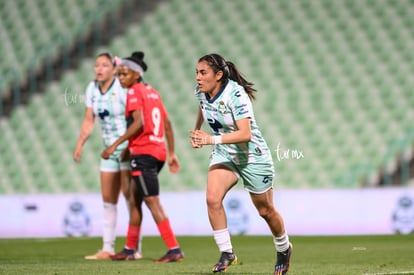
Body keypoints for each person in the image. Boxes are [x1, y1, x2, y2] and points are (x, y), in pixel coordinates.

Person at [189, 53, 292, 274]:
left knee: (265, 210)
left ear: (218, 75)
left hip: (252, 156)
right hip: (225, 153)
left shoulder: (236, 94)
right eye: (197, 72)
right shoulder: (201, 91)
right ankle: (227, 252)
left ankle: (283, 248)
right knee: (212, 198)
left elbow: (244, 134)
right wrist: (198, 129)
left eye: (202, 72)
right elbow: (202, 106)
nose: (198, 77)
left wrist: (209, 139)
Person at [101, 51, 184, 262]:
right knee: (134, 199)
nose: (121, 78)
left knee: (151, 201)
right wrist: (172, 153)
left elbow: (139, 123)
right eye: (119, 74)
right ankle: (130, 249)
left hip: (144, 153)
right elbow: (166, 124)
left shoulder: (133, 92)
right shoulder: (153, 92)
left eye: (124, 74)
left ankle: (174, 248)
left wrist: (114, 146)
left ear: (136, 74)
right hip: (158, 152)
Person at [73, 52, 142, 260]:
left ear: (114, 69)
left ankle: (134, 248)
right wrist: (80, 143)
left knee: (130, 197)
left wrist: (127, 146)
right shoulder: (92, 88)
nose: (99, 69)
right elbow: (88, 119)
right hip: (107, 150)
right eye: (96, 65)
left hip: (125, 148)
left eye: (104, 65)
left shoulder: (122, 88)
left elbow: (135, 118)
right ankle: (107, 248)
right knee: (108, 200)